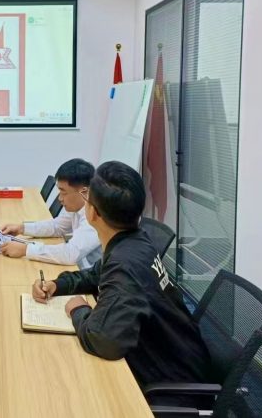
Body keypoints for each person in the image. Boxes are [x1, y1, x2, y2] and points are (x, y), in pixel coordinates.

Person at [32, 161, 210, 387]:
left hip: (170, 383)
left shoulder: (125, 264)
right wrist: (57, 284)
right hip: (175, 356)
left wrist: (78, 309)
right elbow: (94, 275)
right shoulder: (133, 242)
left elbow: (104, 341)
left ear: (92, 213)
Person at [0, 158, 101, 268]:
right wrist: (21, 228)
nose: (60, 198)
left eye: (64, 193)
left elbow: (70, 254)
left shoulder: (96, 215)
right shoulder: (79, 206)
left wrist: (25, 249)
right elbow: (57, 226)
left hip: (89, 273)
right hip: (78, 267)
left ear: (84, 191)